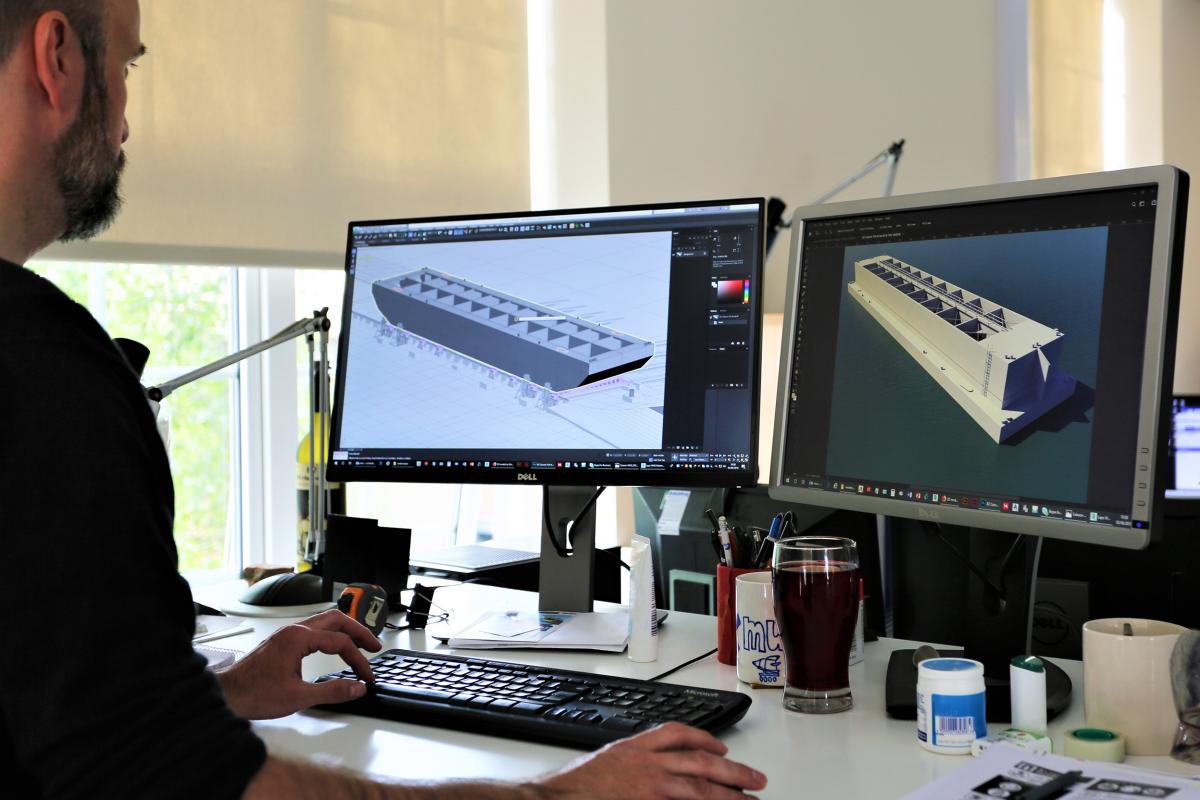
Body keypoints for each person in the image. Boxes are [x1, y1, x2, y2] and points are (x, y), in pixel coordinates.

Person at [0, 2, 769, 797]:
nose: (128, 119)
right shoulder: (39, 369)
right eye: (127, 68)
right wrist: (561, 794)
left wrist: (221, 692)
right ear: (57, 56)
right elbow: (185, 785)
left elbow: (63, 717)